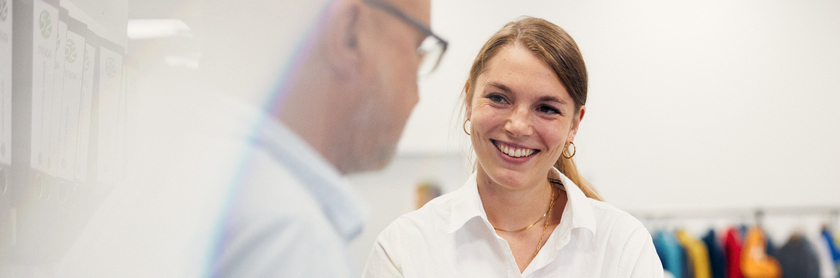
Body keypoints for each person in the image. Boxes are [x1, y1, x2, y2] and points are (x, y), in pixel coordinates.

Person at [55, 0, 446, 277]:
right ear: (349, 36)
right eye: (417, 49)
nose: (417, 93)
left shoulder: (163, 179)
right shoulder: (289, 237)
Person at [363, 17, 663, 277]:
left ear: (574, 124)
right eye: (499, 98)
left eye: (546, 108)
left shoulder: (622, 245)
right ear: (469, 101)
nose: (518, 126)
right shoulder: (404, 246)